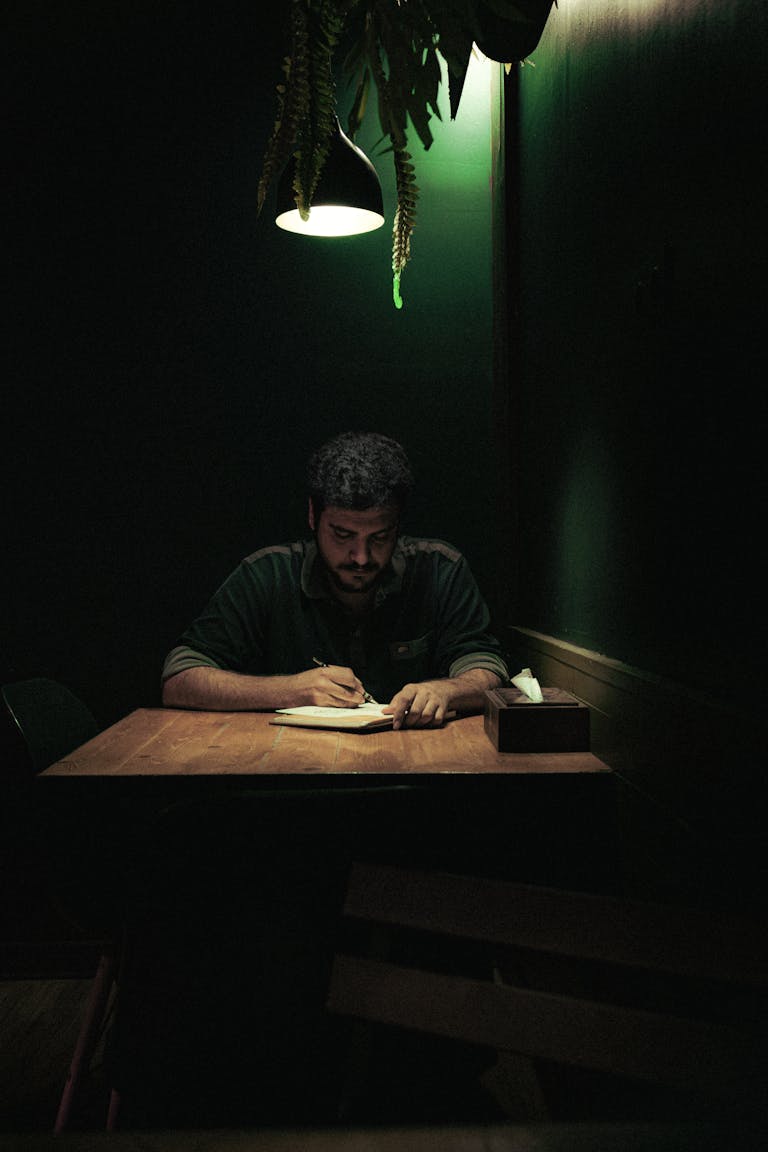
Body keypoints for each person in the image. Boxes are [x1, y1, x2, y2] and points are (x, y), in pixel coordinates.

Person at [161, 431, 508, 728]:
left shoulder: (439, 570)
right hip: (287, 771)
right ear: (313, 516)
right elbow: (179, 678)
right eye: (342, 534)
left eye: (379, 537)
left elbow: (488, 669)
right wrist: (291, 690)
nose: (361, 557)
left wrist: (444, 691)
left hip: (416, 772)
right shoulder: (267, 574)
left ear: (399, 525)